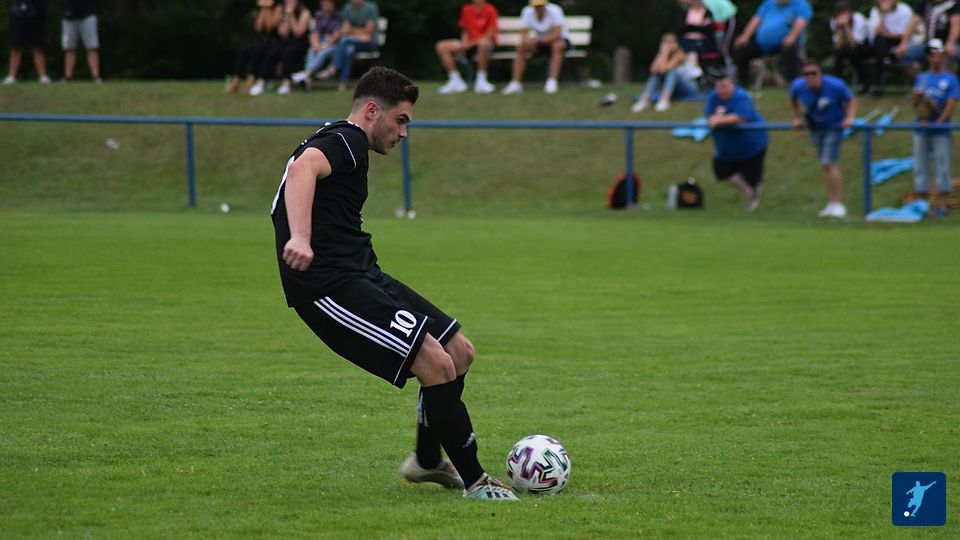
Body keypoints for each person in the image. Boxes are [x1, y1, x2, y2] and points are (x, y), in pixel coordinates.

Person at [270, 66, 518, 502]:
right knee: (434, 362)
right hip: (330, 288)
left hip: (365, 274)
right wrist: (301, 238)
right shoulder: (346, 140)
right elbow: (302, 170)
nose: (404, 132)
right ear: (372, 110)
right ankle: (477, 482)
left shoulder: (343, 141)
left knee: (458, 351)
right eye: (401, 120)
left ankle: (427, 460)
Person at [789, 60, 857, 218]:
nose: (811, 77)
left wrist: (850, 117)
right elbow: (792, 98)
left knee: (829, 163)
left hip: (834, 127)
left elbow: (851, 99)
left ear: (820, 74)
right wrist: (796, 117)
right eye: (807, 74)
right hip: (815, 128)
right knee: (825, 165)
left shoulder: (835, 85)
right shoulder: (798, 86)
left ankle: (838, 204)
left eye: (814, 73)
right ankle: (831, 203)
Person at [705, 71, 769, 212]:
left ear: (732, 85)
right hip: (726, 149)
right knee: (722, 172)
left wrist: (719, 120)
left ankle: (754, 199)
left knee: (753, 177)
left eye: (724, 86)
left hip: (752, 145)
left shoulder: (742, 96)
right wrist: (713, 120)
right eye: (718, 86)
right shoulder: (713, 97)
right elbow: (709, 116)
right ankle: (749, 193)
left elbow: (741, 117)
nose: (721, 90)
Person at [911, 38, 958, 217]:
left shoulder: (950, 79)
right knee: (920, 166)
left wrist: (939, 122)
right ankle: (923, 205)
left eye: (938, 54)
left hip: (941, 130)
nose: (935, 57)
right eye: (932, 54)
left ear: (943, 56)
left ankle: (942, 205)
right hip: (921, 128)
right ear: (928, 57)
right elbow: (917, 105)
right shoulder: (922, 78)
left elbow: (951, 103)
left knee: (942, 166)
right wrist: (918, 101)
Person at [733, 0, 813, 88]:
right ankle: (743, 84)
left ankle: (794, 83)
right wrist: (745, 36)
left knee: (790, 50)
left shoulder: (800, 4)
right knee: (742, 50)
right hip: (762, 44)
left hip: (785, 43)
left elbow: (801, 21)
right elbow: (756, 19)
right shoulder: (769, 3)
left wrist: (792, 36)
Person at [501, 0, 569, 95]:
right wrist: (528, 42)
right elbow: (524, 33)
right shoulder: (527, 11)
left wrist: (537, 41)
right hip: (539, 42)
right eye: (536, 6)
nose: (538, 8)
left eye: (540, 5)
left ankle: (552, 81)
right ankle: (516, 83)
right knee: (521, 46)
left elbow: (557, 35)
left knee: (557, 45)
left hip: (558, 40)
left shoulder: (555, 10)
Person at [250, 0, 312, 96]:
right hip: (287, 42)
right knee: (272, 53)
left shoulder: (305, 13)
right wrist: (286, 18)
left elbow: (298, 32)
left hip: (300, 43)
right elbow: (283, 34)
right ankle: (261, 82)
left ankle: (286, 83)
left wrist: (292, 15)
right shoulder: (284, 13)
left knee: (288, 54)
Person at [436, 0, 499, 94]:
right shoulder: (466, 9)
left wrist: (470, 44)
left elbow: (489, 33)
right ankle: (455, 80)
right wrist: (464, 43)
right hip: (469, 44)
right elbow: (465, 30)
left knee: (484, 44)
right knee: (441, 46)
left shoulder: (490, 10)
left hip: (484, 44)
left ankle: (481, 81)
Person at [316, 0, 380, 92]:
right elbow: (345, 29)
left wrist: (352, 31)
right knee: (349, 50)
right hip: (352, 42)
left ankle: (332, 69)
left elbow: (369, 30)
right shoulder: (348, 8)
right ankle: (343, 83)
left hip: (369, 43)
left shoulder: (370, 8)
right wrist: (360, 33)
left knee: (345, 40)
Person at [632, 33, 699, 112]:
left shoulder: (679, 54)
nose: (668, 46)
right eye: (666, 43)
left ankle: (664, 100)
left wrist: (664, 53)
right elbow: (653, 70)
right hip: (674, 89)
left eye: (670, 43)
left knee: (672, 71)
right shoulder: (661, 54)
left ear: (676, 44)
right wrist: (661, 54)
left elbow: (666, 69)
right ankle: (644, 100)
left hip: (688, 88)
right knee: (655, 74)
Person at [227, 0, 282, 94]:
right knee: (244, 51)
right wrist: (263, 10)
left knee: (257, 52)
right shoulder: (261, 10)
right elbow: (259, 28)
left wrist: (266, 8)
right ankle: (235, 80)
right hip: (262, 41)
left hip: (275, 42)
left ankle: (250, 82)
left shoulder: (278, 8)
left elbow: (269, 26)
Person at [895, 0, 960, 77]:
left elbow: (956, 25)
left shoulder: (954, 4)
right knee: (904, 54)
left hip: (947, 43)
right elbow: (913, 23)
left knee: (953, 54)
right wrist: (904, 42)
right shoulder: (924, 3)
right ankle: (922, 80)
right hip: (928, 43)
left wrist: (951, 43)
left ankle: (947, 81)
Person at [290, 0, 342, 90]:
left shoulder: (338, 15)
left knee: (323, 53)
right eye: (324, 4)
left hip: (334, 43)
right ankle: (307, 78)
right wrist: (316, 44)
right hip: (321, 40)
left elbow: (337, 34)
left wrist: (324, 45)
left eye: (328, 4)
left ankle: (306, 74)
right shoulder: (319, 15)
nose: (326, 6)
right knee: (312, 51)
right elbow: (315, 32)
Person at [867, 0, 915, 95]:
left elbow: (905, 34)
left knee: (879, 49)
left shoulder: (905, 10)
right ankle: (885, 59)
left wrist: (887, 34)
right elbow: (878, 31)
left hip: (901, 42)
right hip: (882, 44)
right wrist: (882, 15)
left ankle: (878, 82)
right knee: (878, 41)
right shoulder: (875, 11)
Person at [4, 0, 51, 84]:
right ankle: (12, 76)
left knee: (38, 46)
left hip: (37, 14)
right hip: (18, 13)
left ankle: (43, 76)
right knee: (16, 46)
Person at [830, 1, 869, 94]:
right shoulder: (834, 21)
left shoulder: (859, 19)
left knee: (854, 54)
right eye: (840, 14)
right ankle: (837, 84)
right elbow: (837, 46)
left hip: (862, 47)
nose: (842, 16)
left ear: (851, 12)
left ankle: (864, 83)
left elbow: (854, 44)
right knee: (838, 55)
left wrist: (846, 26)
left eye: (845, 13)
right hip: (845, 48)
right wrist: (839, 29)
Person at [61, 0, 101, 82]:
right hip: (69, 16)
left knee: (92, 47)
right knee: (69, 48)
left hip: (88, 14)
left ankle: (96, 77)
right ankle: (68, 77)